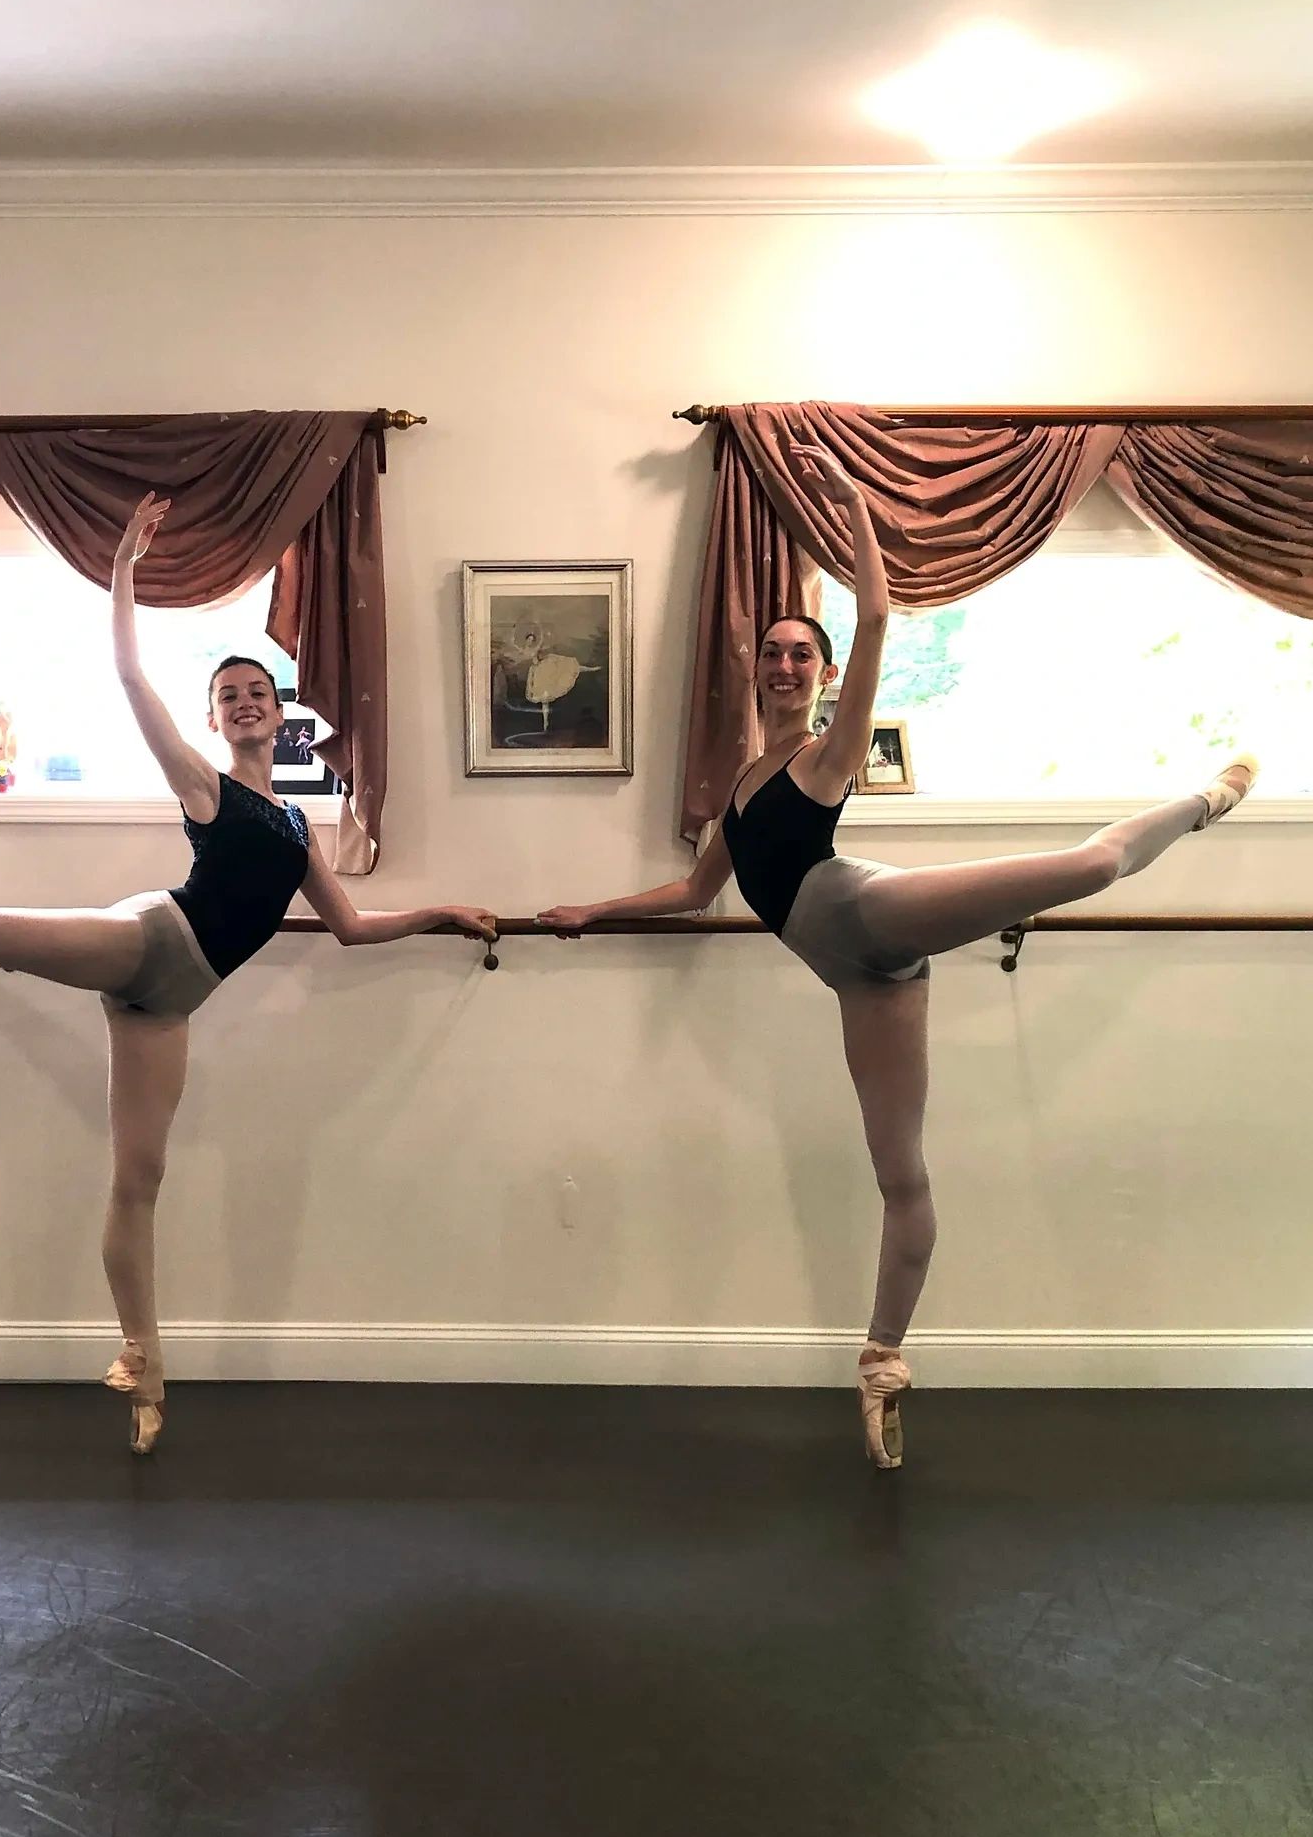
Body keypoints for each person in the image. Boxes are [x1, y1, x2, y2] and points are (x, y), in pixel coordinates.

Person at [539, 443, 1257, 1469]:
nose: (786, 664)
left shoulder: (825, 756)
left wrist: (848, 510)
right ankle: (882, 1363)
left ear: (824, 676)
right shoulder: (736, 788)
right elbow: (693, 896)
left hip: (872, 915)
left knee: (1091, 867)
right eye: (774, 652)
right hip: (857, 976)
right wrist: (590, 910)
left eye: (804, 655)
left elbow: (876, 616)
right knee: (900, 1175)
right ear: (755, 668)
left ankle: (1203, 802)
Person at [0, 493, 496, 1455]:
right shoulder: (207, 788)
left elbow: (348, 927)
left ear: (281, 711)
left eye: (257, 691)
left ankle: (144, 1361)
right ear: (216, 720)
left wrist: (440, 912)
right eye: (229, 696)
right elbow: (133, 679)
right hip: (148, 943)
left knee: (139, 1177)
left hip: (172, 1005)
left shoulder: (299, 825)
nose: (246, 703)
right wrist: (124, 572)